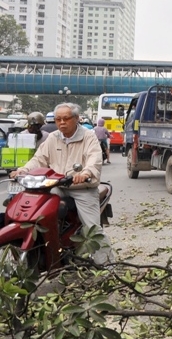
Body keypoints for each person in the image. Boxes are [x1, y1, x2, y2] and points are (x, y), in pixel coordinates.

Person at [11, 102, 113, 265]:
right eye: (58, 119)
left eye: (66, 118)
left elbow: (94, 159)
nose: (61, 123)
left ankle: (108, 266)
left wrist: (86, 173)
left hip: (82, 189)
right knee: (37, 214)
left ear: (76, 118)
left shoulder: (88, 136)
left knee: (92, 229)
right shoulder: (53, 138)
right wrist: (23, 170)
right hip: (56, 186)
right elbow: (39, 159)